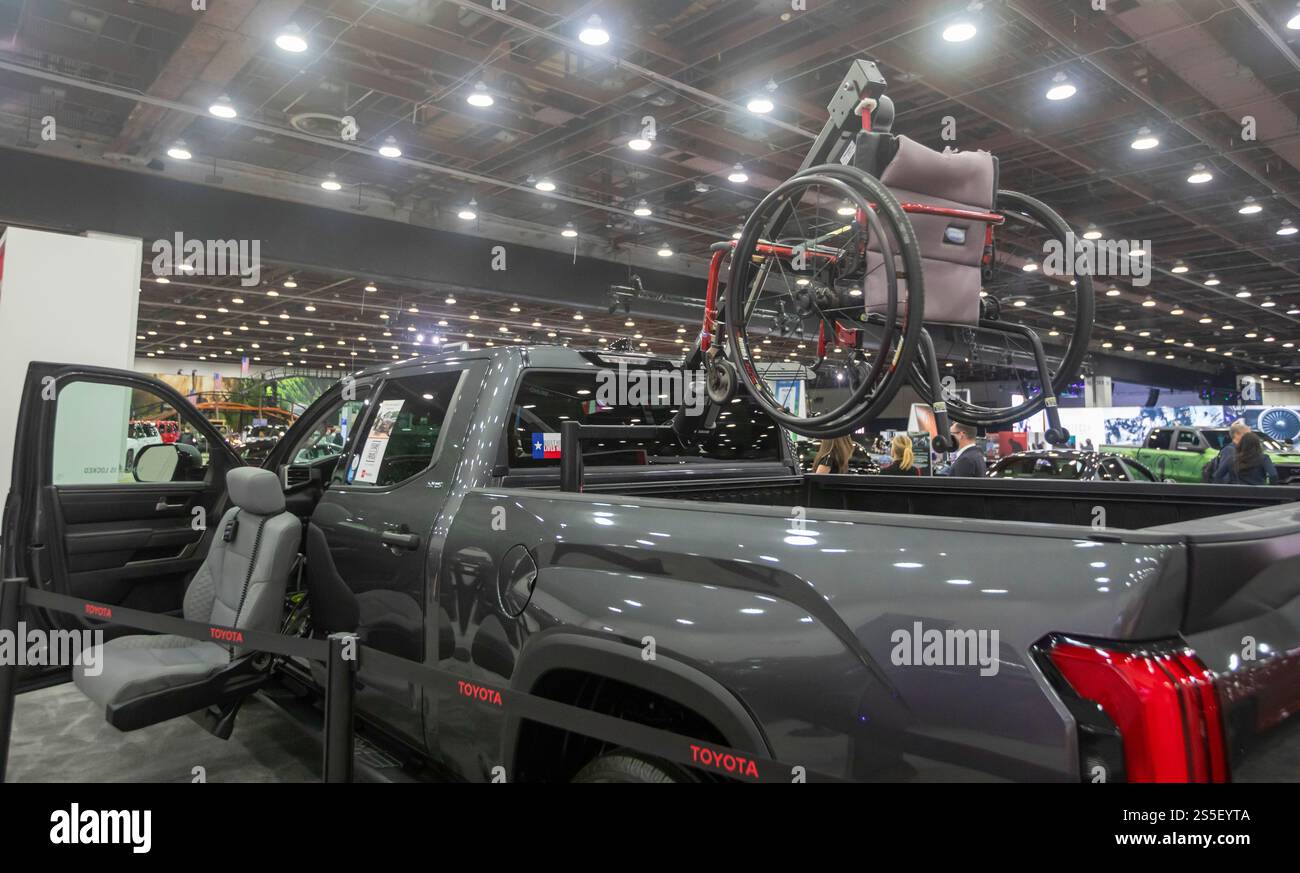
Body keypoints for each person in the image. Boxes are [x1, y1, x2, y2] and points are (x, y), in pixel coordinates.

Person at [1213, 431, 1277, 485]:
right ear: (1258, 445)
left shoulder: (1232, 459)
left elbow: (1217, 476)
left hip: (1235, 494)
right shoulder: (1264, 458)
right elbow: (1273, 475)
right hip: (1257, 494)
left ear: (1241, 444)